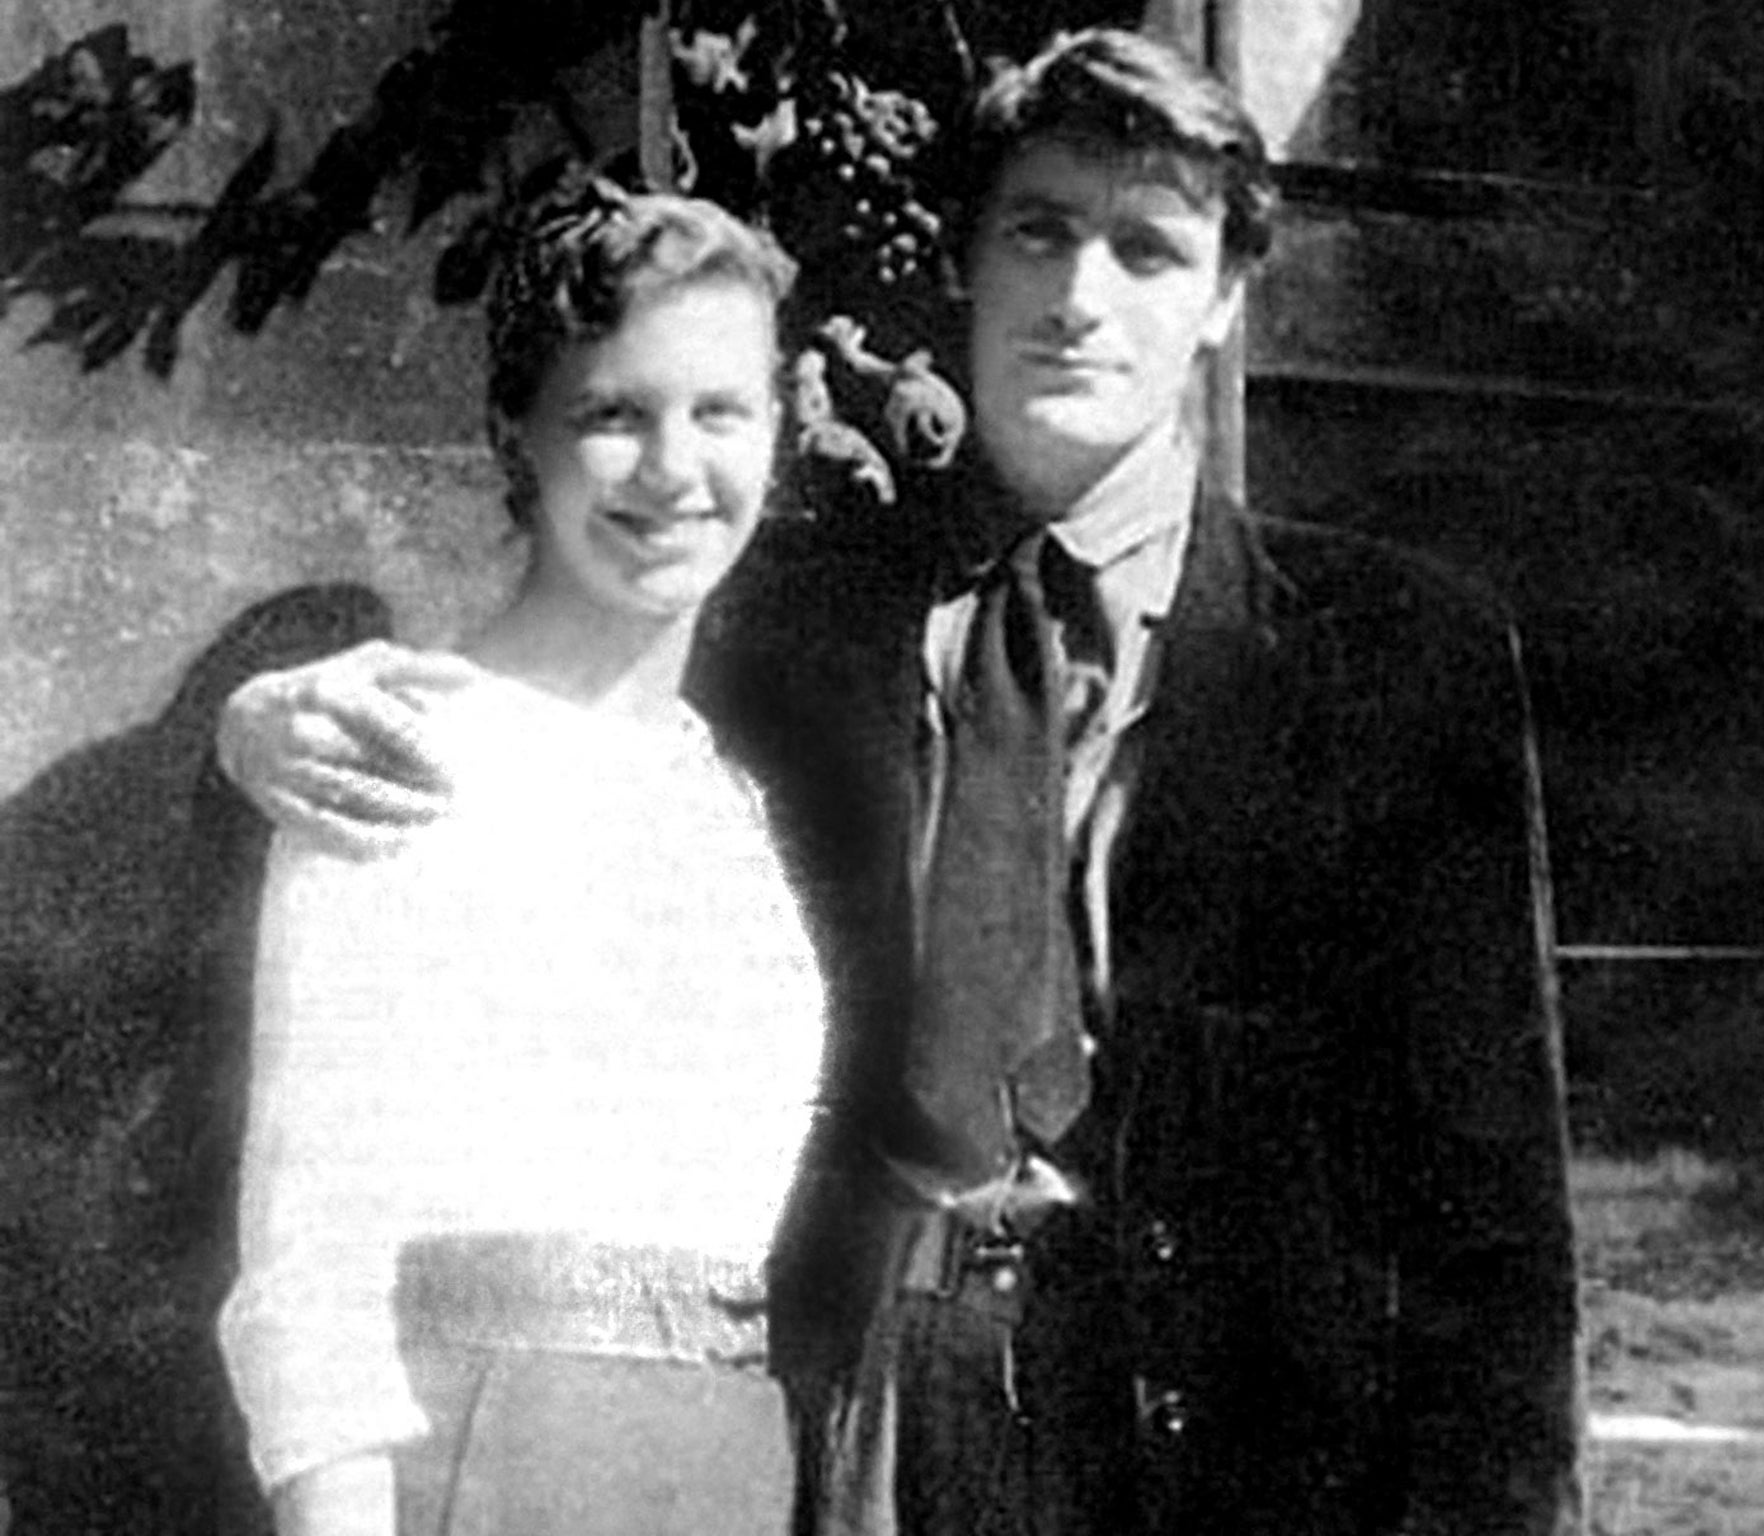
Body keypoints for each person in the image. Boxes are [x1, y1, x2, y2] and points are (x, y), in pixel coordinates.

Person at [215, 28, 1584, 1536]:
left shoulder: (1401, 660)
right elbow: (561, 710)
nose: (1079, 296)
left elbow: (1496, 1230)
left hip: (1227, 1450)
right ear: (969, 261)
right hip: (851, 1429)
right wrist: (266, 718)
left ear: (1225, 296)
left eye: (1147, 248)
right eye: (1041, 232)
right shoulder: (787, 621)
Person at [213, 181, 825, 1536]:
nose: (674, 470)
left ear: (776, 431)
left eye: (719, 411)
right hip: (492, 1466)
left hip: (728, 1466)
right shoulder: (400, 738)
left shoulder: (729, 792)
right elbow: (307, 1267)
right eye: (614, 414)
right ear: (517, 438)